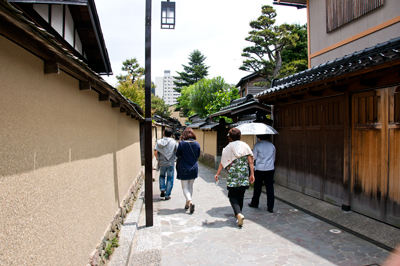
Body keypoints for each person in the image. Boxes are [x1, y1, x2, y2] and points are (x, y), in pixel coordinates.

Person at [214, 128, 255, 227]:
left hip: (233, 175)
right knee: (241, 194)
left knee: (232, 195)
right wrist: (252, 174)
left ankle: (238, 213)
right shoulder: (245, 146)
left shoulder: (228, 147)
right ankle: (238, 213)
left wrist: (217, 174)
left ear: (230, 137)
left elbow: (222, 163)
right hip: (243, 174)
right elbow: (250, 161)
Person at [248, 134, 276, 213]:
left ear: (259, 137)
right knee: (270, 187)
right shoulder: (272, 146)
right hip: (270, 168)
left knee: (257, 187)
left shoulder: (257, 146)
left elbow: (254, 158)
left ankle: (255, 203)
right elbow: (274, 158)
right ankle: (270, 207)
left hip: (260, 169)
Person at [176, 128, 201, 213]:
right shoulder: (197, 144)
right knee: (190, 186)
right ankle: (187, 203)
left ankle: (190, 201)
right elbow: (198, 155)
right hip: (194, 168)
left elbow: (177, 154)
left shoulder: (182, 144)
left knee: (185, 187)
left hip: (183, 167)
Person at [154, 128, 178, 200]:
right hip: (170, 163)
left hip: (162, 162)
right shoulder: (174, 142)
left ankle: (162, 189)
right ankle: (167, 195)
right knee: (170, 178)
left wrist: (158, 159)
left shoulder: (159, 142)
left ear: (164, 134)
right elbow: (177, 151)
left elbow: (155, 152)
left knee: (162, 176)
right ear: (171, 135)